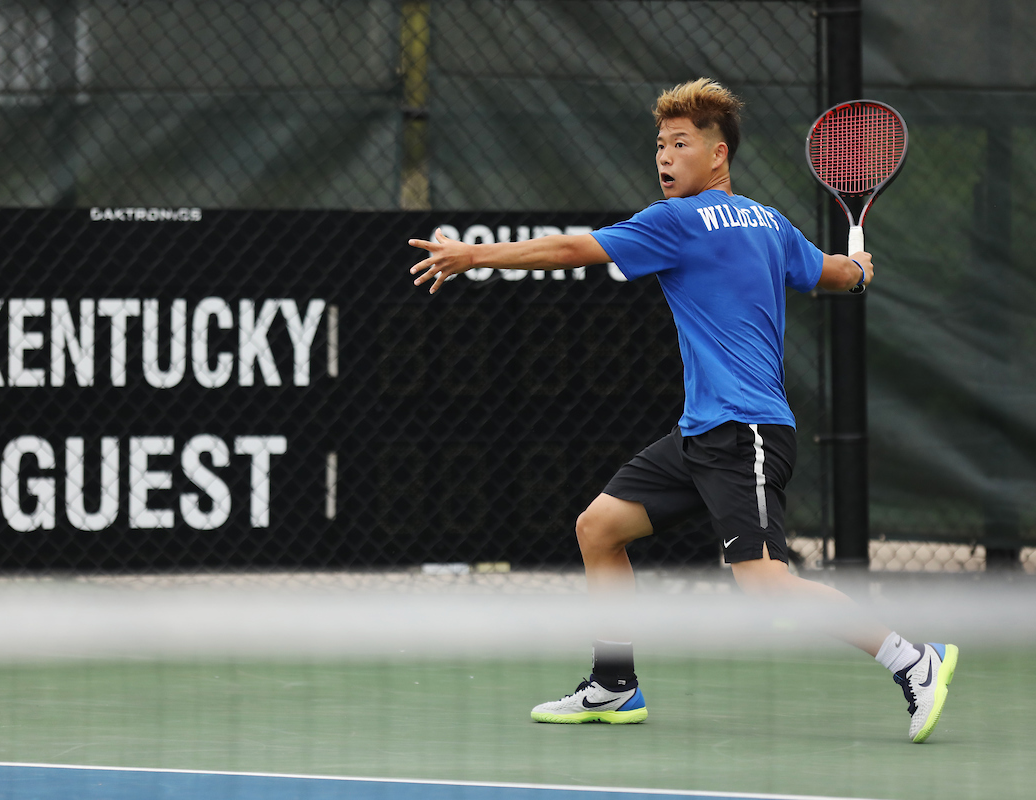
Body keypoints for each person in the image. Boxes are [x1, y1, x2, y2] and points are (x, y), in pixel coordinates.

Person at [407, 78, 957, 743]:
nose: (664, 158)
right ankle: (614, 684)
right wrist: (862, 268)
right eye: (660, 146)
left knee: (765, 584)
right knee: (599, 528)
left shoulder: (677, 222)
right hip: (701, 434)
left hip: (745, 432)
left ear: (718, 154)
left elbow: (575, 250)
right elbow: (837, 275)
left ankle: (912, 660)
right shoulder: (771, 223)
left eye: (680, 144)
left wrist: (475, 255)